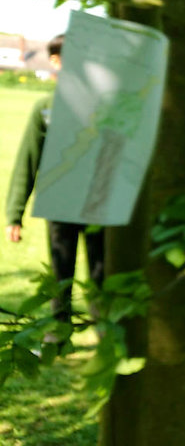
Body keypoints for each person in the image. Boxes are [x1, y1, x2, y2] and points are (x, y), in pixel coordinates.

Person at [6, 33, 105, 324]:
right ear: (55, 60)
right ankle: (58, 329)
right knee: (61, 270)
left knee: (101, 271)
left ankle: (103, 329)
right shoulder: (45, 107)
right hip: (59, 201)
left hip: (98, 203)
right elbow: (28, 159)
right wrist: (14, 214)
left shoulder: (104, 106)